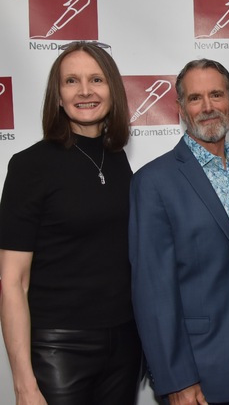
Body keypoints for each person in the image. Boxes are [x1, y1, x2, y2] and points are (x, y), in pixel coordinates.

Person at [129, 59, 229, 405]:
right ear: (181, 108)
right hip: (200, 364)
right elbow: (153, 294)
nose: (208, 107)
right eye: (195, 98)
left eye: (216, 94)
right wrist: (177, 379)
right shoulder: (153, 182)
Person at [0, 41, 142, 405]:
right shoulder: (29, 166)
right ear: (58, 96)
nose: (85, 91)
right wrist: (23, 384)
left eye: (96, 79)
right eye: (71, 81)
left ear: (113, 90)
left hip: (125, 343)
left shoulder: (117, 160)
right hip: (58, 349)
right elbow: (13, 281)